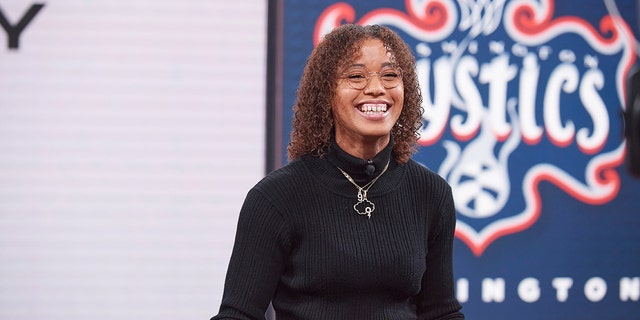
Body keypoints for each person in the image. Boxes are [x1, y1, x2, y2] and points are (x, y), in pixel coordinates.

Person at [211, 24, 464, 319]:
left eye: (390, 75)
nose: (376, 88)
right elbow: (238, 314)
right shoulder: (275, 198)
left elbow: (441, 312)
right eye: (356, 76)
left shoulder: (431, 193)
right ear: (325, 95)